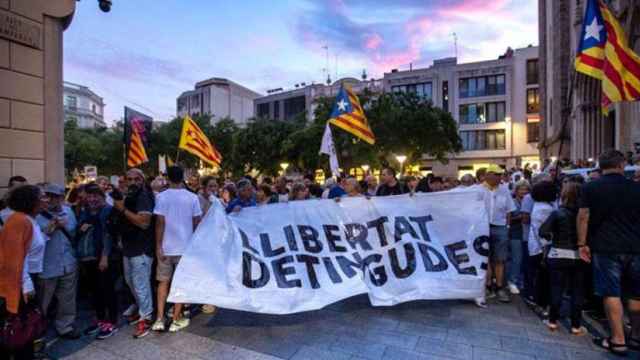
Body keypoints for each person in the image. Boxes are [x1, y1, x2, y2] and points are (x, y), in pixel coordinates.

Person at [577, 150, 640, 356]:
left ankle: (618, 339)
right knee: (635, 293)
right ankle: (637, 336)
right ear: (622, 165)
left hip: (605, 246)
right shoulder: (636, 188)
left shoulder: (591, 187)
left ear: (601, 166)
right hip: (634, 246)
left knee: (611, 292)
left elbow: (583, 216)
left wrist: (581, 243)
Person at [152, 166, 202, 333]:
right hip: (186, 248)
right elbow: (197, 224)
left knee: (163, 282)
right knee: (180, 283)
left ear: (167, 178)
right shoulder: (193, 198)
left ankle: (159, 319)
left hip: (165, 248)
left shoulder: (161, 197)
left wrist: (158, 246)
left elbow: (160, 223)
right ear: (183, 178)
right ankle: (175, 319)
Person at [0, 185, 45, 360]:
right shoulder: (19, 221)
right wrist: (26, 285)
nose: (45, 200)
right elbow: (15, 257)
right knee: (20, 327)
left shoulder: (29, 220)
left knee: (26, 327)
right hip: (19, 282)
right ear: (31, 201)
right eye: (42, 197)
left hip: (26, 279)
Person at [538, 182, 587, 335]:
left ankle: (553, 321)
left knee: (556, 288)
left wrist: (552, 236)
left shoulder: (558, 213)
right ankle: (576, 325)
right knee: (577, 291)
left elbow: (543, 231)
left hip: (558, 253)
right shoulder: (585, 214)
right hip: (579, 255)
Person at [36, 183, 81, 339]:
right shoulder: (35, 215)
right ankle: (36, 330)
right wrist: (51, 227)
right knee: (43, 301)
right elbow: (35, 241)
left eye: (55, 196)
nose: (51, 199)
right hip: (47, 266)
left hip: (68, 263)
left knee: (67, 299)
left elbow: (74, 231)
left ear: (61, 198)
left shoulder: (68, 211)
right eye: (47, 196)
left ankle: (65, 326)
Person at [114, 168, 155, 338]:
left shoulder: (144, 196)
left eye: (136, 179)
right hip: (129, 249)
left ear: (142, 180)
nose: (132, 182)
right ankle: (143, 311)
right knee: (132, 284)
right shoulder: (130, 197)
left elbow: (144, 223)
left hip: (141, 250)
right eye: (129, 179)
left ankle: (146, 318)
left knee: (140, 285)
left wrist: (122, 209)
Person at [77, 184, 120, 339]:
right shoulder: (85, 211)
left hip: (104, 257)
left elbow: (109, 235)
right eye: (89, 196)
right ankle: (101, 319)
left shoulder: (108, 211)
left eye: (96, 196)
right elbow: (78, 231)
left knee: (107, 290)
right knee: (95, 291)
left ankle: (112, 322)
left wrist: (105, 257)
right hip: (88, 257)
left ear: (102, 197)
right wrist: (80, 228)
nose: (92, 199)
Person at [477, 164, 515, 304]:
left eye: (501, 175)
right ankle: (487, 287)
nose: (500, 177)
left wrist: (507, 226)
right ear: (488, 175)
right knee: (485, 259)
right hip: (482, 227)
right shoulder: (478, 190)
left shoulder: (504, 190)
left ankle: (499, 287)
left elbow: (509, 210)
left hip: (500, 227)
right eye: (497, 175)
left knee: (500, 259)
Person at [525, 180, 557, 313]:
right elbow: (543, 232)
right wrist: (545, 250)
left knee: (541, 277)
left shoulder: (540, 205)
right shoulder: (545, 209)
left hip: (536, 246)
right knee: (544, 278)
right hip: (542, 248)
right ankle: (543, 304)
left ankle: (540, 302)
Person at [507, 180, 530, 295]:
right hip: (515, 233)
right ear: (516, 191)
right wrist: (521, 217)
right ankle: (512, 281)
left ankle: (520, 281)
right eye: (521, 189)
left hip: (527, 235)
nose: (524, 192)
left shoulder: (530, 201)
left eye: (526, 189)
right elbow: (508, 219)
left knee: (523, 259)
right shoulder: (512, 202)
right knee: (517, 258)